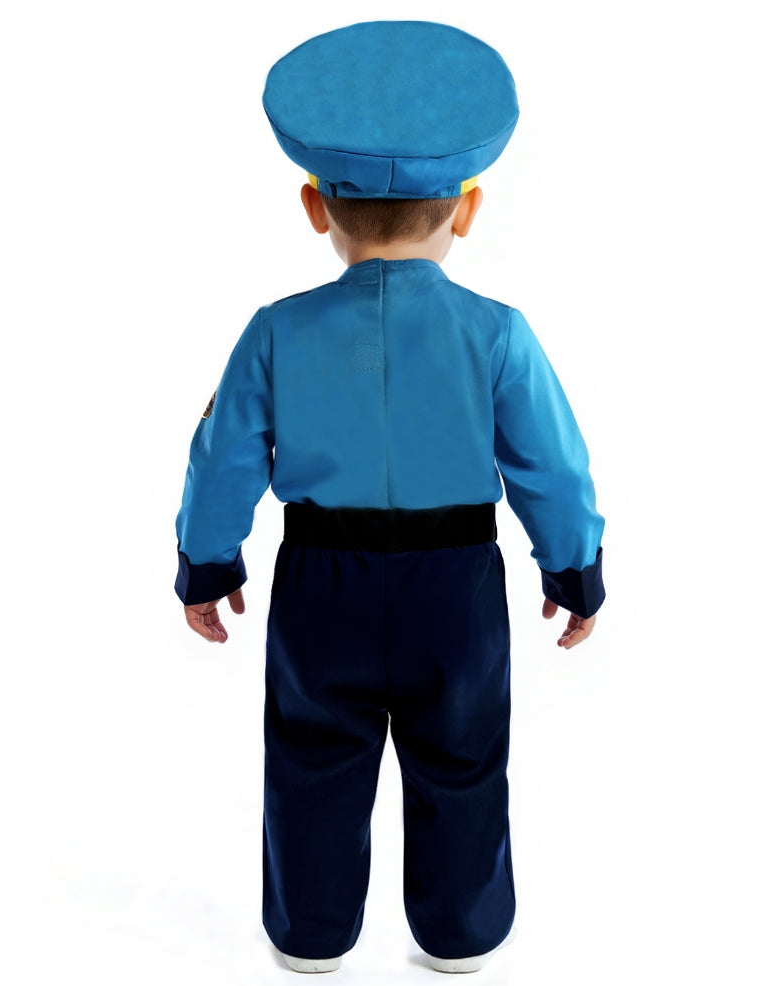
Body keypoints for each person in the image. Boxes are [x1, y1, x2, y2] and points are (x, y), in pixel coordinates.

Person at [174, 20, 605, 975]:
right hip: (455, 586)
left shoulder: (274, 332)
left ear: (313, 206)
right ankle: (460, 936)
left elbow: (221, 458)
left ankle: (310, 937)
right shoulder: (498, 334)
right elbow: (554, 468)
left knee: (310, 757)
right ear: (470, 208)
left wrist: (207, 565)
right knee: (463, 755)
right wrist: (574, 571)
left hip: (318, 581)